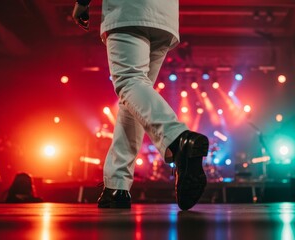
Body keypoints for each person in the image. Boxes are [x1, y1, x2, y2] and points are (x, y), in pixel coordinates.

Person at [72, 0, 209, 210]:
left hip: (128, 9)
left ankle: (178, 139)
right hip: (164, 15)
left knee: (129, 81)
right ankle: (116, 186)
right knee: (133, 99)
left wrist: (82, 3)